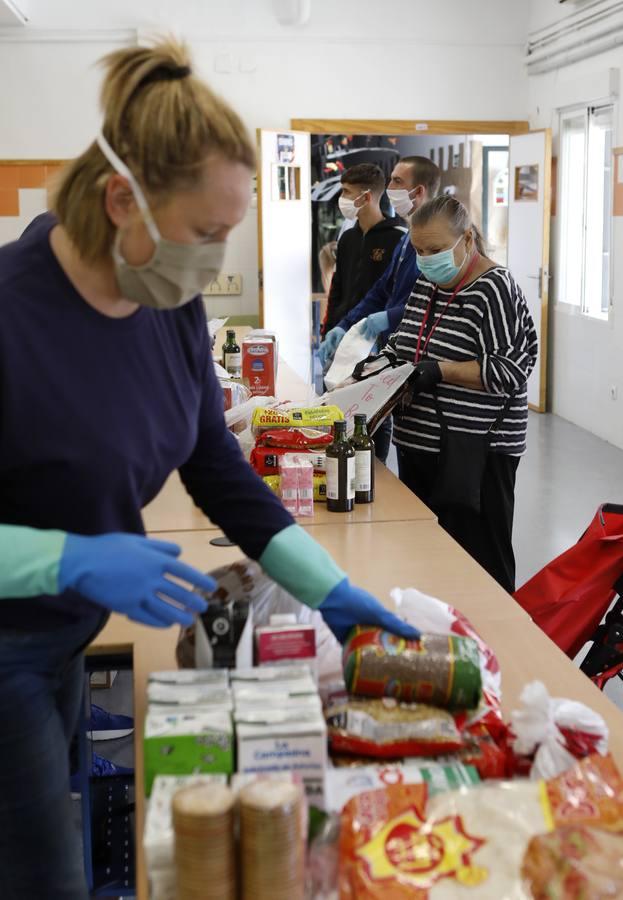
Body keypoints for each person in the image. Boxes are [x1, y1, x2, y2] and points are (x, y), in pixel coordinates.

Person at [0, 40, 418, 900]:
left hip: (72, 636)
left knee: (59, 831)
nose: (214, 262)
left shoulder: (167, 305)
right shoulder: (11, 316)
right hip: (6, 641)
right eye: (204, 234)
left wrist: (326, 585)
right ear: (123, 200)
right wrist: (67, 556)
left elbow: (214, 463)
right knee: (42, 875)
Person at [381, 195, 538, 594]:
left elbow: (510, 370)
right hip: (420, 446)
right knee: (428, 562)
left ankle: (499, 646)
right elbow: (404, 342)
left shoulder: (495, 289)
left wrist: (440, 371)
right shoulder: (427, 283)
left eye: (435, 250)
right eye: (418, 250)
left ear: (467, 240)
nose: (426, 259)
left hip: (474, 454)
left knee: (479, 569)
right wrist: (376, 370)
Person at [318, 156, 441, 462]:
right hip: (391, 350)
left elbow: (430, 302)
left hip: (418, 360)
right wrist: (343, 325)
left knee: (382, 438)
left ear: (419, 191)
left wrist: (388, 317)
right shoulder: (405, 241)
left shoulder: (429, 241)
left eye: (397, 181)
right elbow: (380, 291)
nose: (390, 188)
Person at [321, 163, 406, 337]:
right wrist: (329, 329)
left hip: (375, 334)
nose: (341, 198)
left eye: (346, 192)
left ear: (366, 197)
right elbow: (337, 288)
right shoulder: (347, 238)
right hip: (343, 329)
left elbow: (396, 293)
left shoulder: (398, 238)